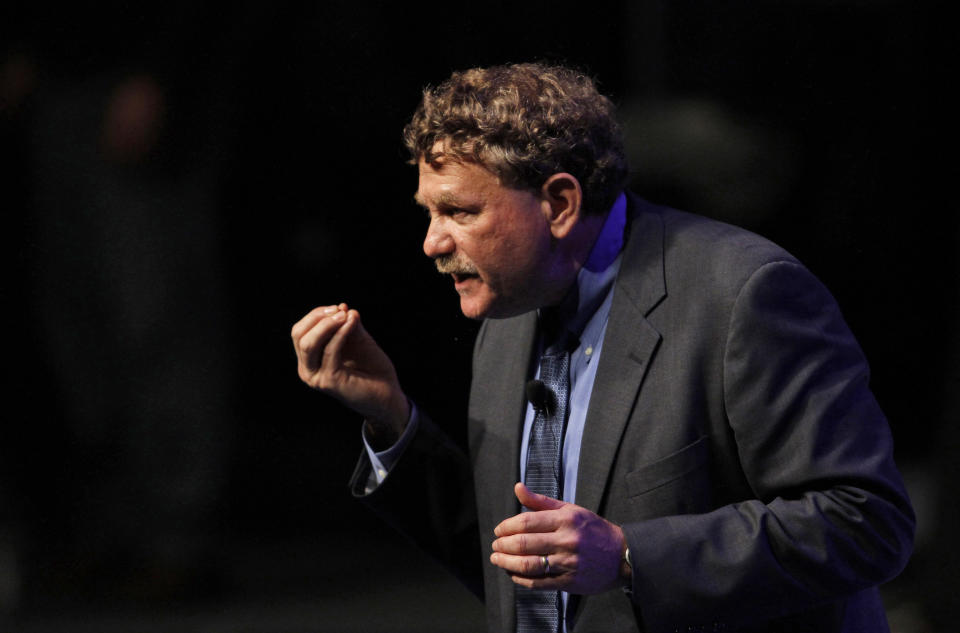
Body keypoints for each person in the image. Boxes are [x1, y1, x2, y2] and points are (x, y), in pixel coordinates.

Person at [291, 63, 914, 633]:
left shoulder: (742, 296)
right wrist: (391, 419)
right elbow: (517, 561)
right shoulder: (510, 311)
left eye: (458, 211)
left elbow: (866, 522)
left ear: (560, 203)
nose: (432, 242)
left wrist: (626, 555)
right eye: (429, 213)